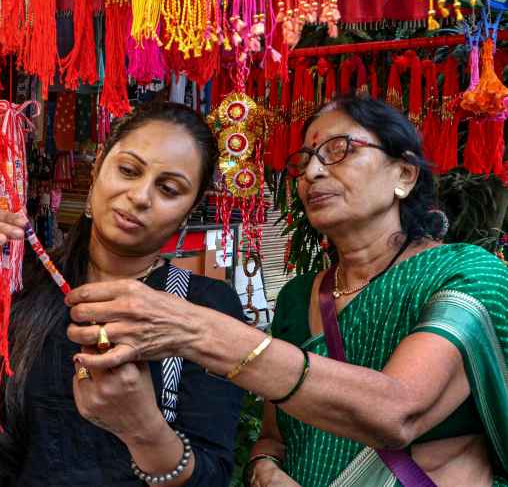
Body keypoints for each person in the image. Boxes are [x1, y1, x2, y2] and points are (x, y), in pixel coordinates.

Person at [63, 96, 508, 487]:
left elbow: (400, 411)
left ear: (404, 174)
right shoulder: (300, 297)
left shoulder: (467, 274)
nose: (312, 172)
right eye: (305, 160)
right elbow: (276, 434)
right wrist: (264, 465)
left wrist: (191, 329)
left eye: (339, 151)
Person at [0, 102, 245, 486]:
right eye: (128, 170)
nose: (140, 196)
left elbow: (213, 474)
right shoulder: (29, 283)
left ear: (190, 208)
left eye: (169, 189)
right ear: (99, 164)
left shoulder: (203, 307)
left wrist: (145, 430)